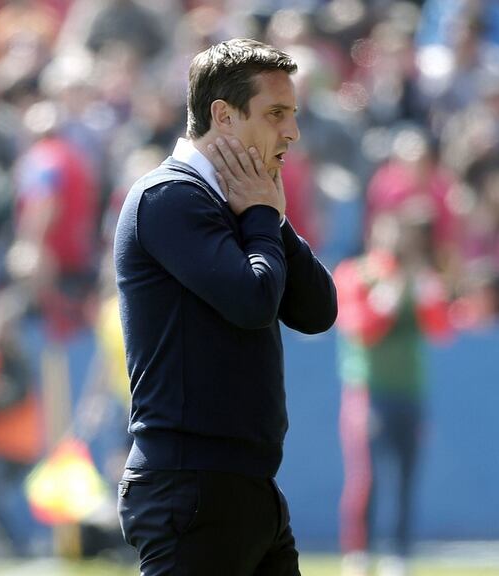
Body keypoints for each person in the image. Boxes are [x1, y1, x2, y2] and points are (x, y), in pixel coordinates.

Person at [113, 38, 338, 575]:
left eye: (293, 114)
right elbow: (253, 301)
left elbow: (317, 310)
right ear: (224, 116)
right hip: (191, 486)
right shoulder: (170, 196)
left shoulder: (237, 200)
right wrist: (262, 215)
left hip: (244, 487)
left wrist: (272, 219)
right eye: (276, 113)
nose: (292, 132)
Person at [334, 213, 451, 576]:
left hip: (409, 390)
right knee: (365, 476)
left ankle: (398, 552)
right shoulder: (356, 274)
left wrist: (422, 287)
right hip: (369, 391)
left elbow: (441, 329)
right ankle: (359, 551)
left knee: (406, 475)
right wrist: (388, 293)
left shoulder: (417, 278)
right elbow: (359, 328)